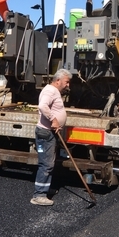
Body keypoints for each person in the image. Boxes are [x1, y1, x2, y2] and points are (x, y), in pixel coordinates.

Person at [30, 68, 71, 206]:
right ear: (58, 80)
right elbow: (42, 106)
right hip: (46, 132)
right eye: (66, 82)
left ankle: (44, 189)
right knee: (46, 164)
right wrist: (54, 120)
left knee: (49, 163)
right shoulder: (50, 91)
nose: (68, 85)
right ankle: (39, 195)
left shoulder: (54, 91)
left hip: (49, 132)